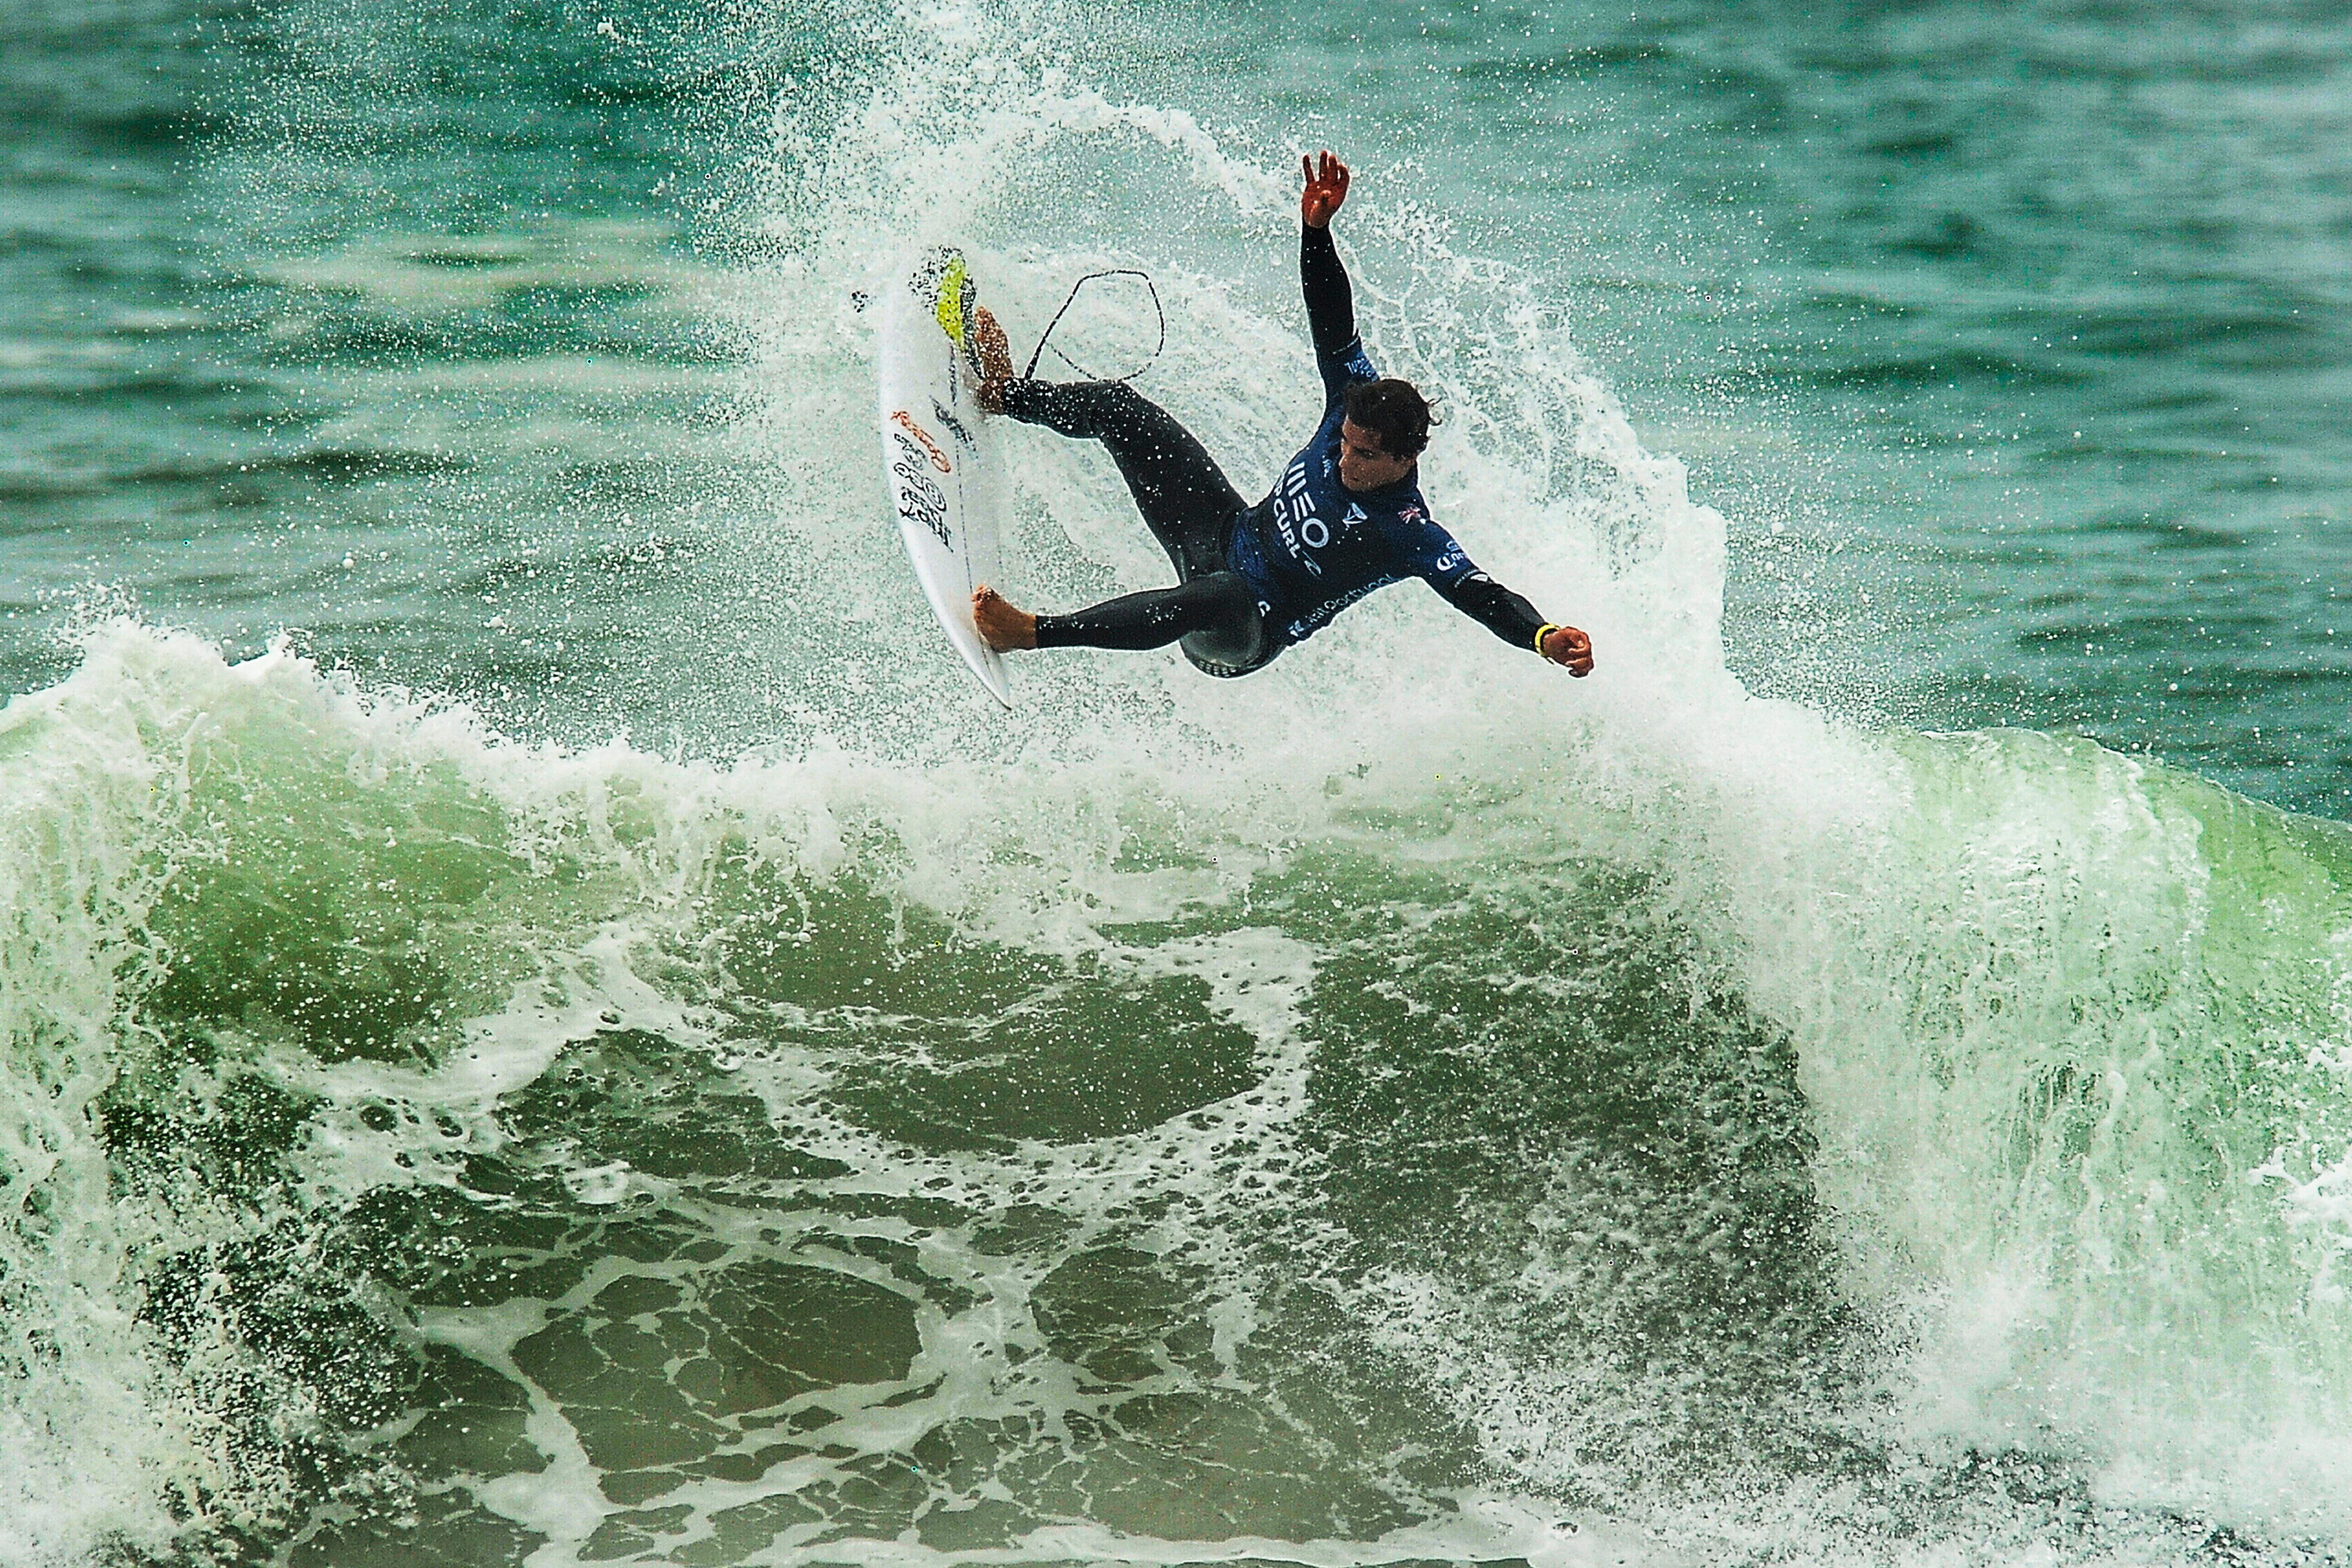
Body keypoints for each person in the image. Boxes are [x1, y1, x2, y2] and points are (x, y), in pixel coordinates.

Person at [966, 151, 1594, 682]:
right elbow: (1332, 319)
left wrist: (1543, 635)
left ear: (1406, 459)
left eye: (1365, 456)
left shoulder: (1409, 533)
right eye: (1344, 444)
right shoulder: (1355, 394)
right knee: (1121, 409)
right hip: (1221, 535)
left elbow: (1483, 596)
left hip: (1242, 630)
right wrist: (1316, 232)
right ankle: (1002, 395)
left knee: (1220, 593)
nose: (1345, 459)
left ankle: (1030, 633)